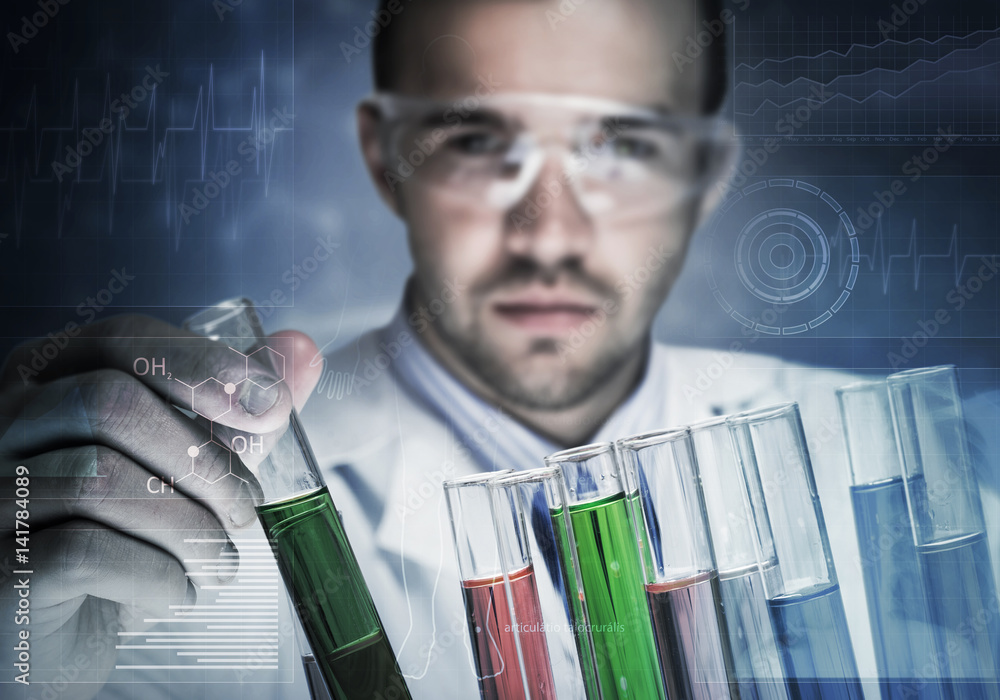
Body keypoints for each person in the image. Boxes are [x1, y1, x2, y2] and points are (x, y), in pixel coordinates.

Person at [9, 0, 989, 698]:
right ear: (383, 159)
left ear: (706, 172)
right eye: (479, 144)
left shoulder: (924, 486)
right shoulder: (176, 515)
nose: (549, 234)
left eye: (625, 146)